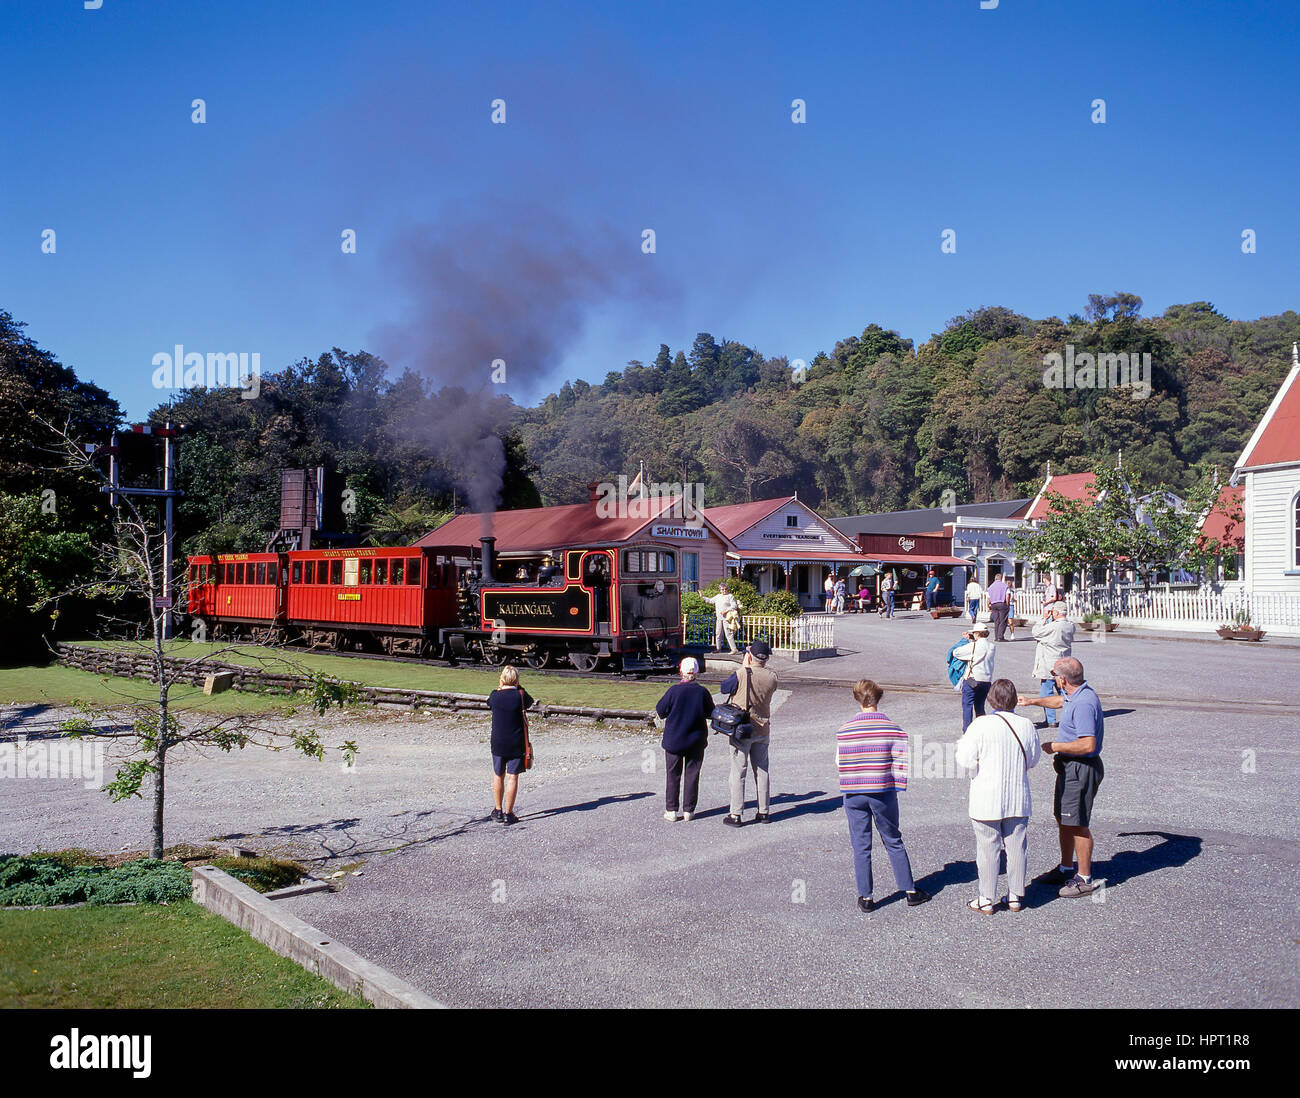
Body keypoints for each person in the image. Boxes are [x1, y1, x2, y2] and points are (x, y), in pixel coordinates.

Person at [835, 679, 930, 912]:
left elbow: (839, 762)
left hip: (854, 791)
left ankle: (866, 897)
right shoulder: (893, 728)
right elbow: (900, 761)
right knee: (892, 839)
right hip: (882, 791)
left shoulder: (845, 730)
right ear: (878, 698)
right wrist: (895, 785)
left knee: (861, 844)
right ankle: (909, 890)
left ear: (857, 699)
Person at [1017, 657, 1105, 898]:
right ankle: (1066, 867)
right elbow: (1060, 701)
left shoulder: (1084, 703)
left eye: (1055, 674)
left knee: (1077, 823)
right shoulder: (1074, 694)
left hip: (1081, 768)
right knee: (1064, 817)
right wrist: (1032, 700)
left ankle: (1085, 879)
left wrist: (1055, 745)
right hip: (1070, 767)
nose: (1053, 678)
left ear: (1063, 679)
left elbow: (1088, 744)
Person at [954, 678, 1041, 913]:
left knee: (987, 848)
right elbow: (1033, 760)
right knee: (1016, 847)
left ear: (991, 699)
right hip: (1017, 795)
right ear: (1014, 699)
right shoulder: (1026, 725)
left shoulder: (980, 725)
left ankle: (986, 898)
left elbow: (964, 759)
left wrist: (976, 769)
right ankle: (1015, 895)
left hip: (986, 796)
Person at [718, 640, 779, 826]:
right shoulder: (773, 677)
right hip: (762, 728)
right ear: (766, 658)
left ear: (750, 655)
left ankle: (736, 814)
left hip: (742, 729)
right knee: (762, 771)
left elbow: (724, 688)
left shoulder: (742, 674)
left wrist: (745, 667)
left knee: (738, 771)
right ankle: (764, 811)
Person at [655, 657, 714, 821]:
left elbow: (661, 711)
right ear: (697, 673)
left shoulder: (673, 691)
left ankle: (672, 810)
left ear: (681, 671)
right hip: (696, 740)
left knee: (673, 775)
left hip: (674, 740)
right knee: (692, 775)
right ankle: (689, 810)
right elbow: (711, 713)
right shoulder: (702, 692)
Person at [487, 665, 534, 826]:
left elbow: (489, 703)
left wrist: (501, 687)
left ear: (501, 679)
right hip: (516, 742)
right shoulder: (520, 695)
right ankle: (509, 813)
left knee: (498, 774)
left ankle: (498, 810)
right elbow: (530, 702)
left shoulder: (494, 696)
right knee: (512, 776)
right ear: (517, 680)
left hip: (498, 742)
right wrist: (518, 686)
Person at [1031, 605, 1075, 728]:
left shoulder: (1054, 626)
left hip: (1049, 662)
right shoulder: (1070, 625)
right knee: (1064, 690)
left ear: (1056, 612)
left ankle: (1051, 719)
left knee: (1047, 690)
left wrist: (1043, 618)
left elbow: (1036, 632)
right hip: (1064, 660)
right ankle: (1070, 716)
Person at [952, 611, 995, 731]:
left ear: (976, 634)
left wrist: (967, 640)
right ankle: (982, 730)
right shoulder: (992, 647)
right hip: (986, 680)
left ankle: (967, 730)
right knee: (980, 706)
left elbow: (956, 652)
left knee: (967, 706)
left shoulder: (974, 646)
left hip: (972, 680)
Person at [702, 582, 741, 653]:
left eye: (725, 589)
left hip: (727, 618)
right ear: (720, 590)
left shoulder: (730, 596)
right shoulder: (718, 596)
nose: (724, 591)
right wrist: (702, 597)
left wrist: (726, 611)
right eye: (722, 589)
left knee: (728, 634)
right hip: (719, 618)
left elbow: (734, 606)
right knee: (718, 633)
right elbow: (710, 601)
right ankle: (718, 649)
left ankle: (734, 649)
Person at [987, 572, 1011, 642]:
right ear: (1001, 578)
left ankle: (996, 637)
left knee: (996, 621)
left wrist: (988, 605)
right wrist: (1007, 604)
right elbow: (1007, 595)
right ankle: (1000, 637)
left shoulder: (990, 587)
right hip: (1002, 603)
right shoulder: (1005, 586)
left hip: (993, 604)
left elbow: (988, 598)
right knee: (1003, 620)